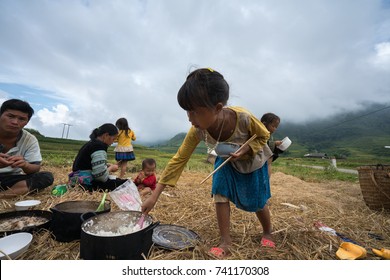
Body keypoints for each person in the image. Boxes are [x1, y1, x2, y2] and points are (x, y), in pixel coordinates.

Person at [142, 68, 274, 258]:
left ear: (218, 108)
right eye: (188, 111)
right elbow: (179, 159)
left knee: (258, 201)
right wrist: (154, 196)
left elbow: (263, 136)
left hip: (251, 161)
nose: (190, 118)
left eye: (195, 112)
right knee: (219, 192)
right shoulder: (197, 130)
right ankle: (225, 241)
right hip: (225, 160)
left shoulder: (244, 118)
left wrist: (245, 149)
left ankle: (268, 230)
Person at [0, 99, 54, 198]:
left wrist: (25, 165)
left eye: (21, 119)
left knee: (46, 177)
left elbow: (35, 167)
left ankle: (3, 195)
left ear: (26, 122)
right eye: (10, 116)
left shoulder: (30, 139)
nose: (15, 122)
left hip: (10, 178)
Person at [69, 123, 127, 192]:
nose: (112, 142)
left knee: (118, 181)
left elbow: (89, 163)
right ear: (106, 135)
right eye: (113, 139)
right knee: (125, 183)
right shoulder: (99, 147)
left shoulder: (92, 143)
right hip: (86, 183)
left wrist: (106, 164)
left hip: (78, 178)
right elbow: (100, 177)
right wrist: (111, 168)